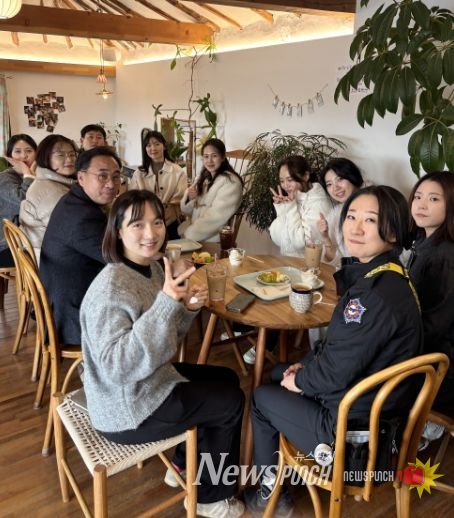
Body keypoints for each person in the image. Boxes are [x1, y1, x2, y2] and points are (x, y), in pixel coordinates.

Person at [245, 186, 423, 516]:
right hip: (363, 400)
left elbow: (335, 371)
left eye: (370, 220)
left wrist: (301, 380)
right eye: (351, 216)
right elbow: (340, 351)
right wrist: (302, 370)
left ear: (393, 231)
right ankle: (282, 459)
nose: (355, 228)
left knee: (260, 397)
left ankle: (272, 493)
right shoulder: (390, 275)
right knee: (278, 372)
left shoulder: (373, 296)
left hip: (353, 427)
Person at [80, 190, 245, 518]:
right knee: (229, 403)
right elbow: (117, 368)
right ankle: (209, 498)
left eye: (157, 222)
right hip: (126, 409)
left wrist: (186, 309)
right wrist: (167, 303)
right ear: (118, 231)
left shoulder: (151, 268)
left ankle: (182, 464)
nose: (151, 233)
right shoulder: (112, 288)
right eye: (137, 224)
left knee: (227, 378)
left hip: (148, 384)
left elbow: (163, 341)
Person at [39, 146, 121, 346]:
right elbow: (119, 259)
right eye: (102, 176)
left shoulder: (74, 200)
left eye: (116, 176)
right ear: (81, 177)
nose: (111, 184)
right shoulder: (83, 216)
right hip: (75, 314)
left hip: (63, 300)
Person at [407, 171, 454, 410]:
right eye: (418, 197)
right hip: (421, 347)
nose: (421, 205)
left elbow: (436, 324)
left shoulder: (446, 254)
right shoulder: (423, 241)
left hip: (436, 365)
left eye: (434, 199)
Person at [19, 134, 77, 260]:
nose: (69, 159)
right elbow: (73, 233)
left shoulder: (46, 181)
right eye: (60, 155)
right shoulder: (55, 192)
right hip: (49, 260)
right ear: (46, 157)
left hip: (42, 251)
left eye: (72, 154)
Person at [178, 138, 243, 242]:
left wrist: (189, 234)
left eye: (214, 156)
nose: (209, 161)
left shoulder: (231, 183)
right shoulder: (203, 178)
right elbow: (187, 212)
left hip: (213, 238)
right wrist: (190, 199)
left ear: (223, 157)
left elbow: (216, 218)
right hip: (197, 233)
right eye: (206, 156)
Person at [269, 155, 331, 257]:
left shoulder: (319, 203)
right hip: (290, 262)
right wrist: (281, 208)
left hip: (311, 264)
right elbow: (276, 237)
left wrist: (290, 208)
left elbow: (300, 243)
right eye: (282, 181)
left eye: (290, 180)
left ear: (305, 176)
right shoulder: (295, 198)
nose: (285, 185)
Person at [129, 130, 187, 239]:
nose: (153, 148)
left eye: (157, 144)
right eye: (148, 145)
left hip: (170, 222)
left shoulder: (177, 171)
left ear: (164, 146)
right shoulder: (139, 173)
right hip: (145, 223)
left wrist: (163, 205)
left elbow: (181, 196)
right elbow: (133, 197)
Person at [317, 157, 365, 267]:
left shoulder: (375, 205)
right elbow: (336, 262)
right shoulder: (335, 215)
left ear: (353, 176)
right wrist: (325, 237)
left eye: (340, 179)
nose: (335, 188)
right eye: (329, 184)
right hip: (348, 274)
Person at [0, 134, 37, 267]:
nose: (24, 156)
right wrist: (27, 173)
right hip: (7, 245)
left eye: (29, 151)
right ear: (9, 156)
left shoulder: (36, 174)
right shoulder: (4, 178)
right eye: (18, 151)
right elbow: (23, 202)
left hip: (26, 239)